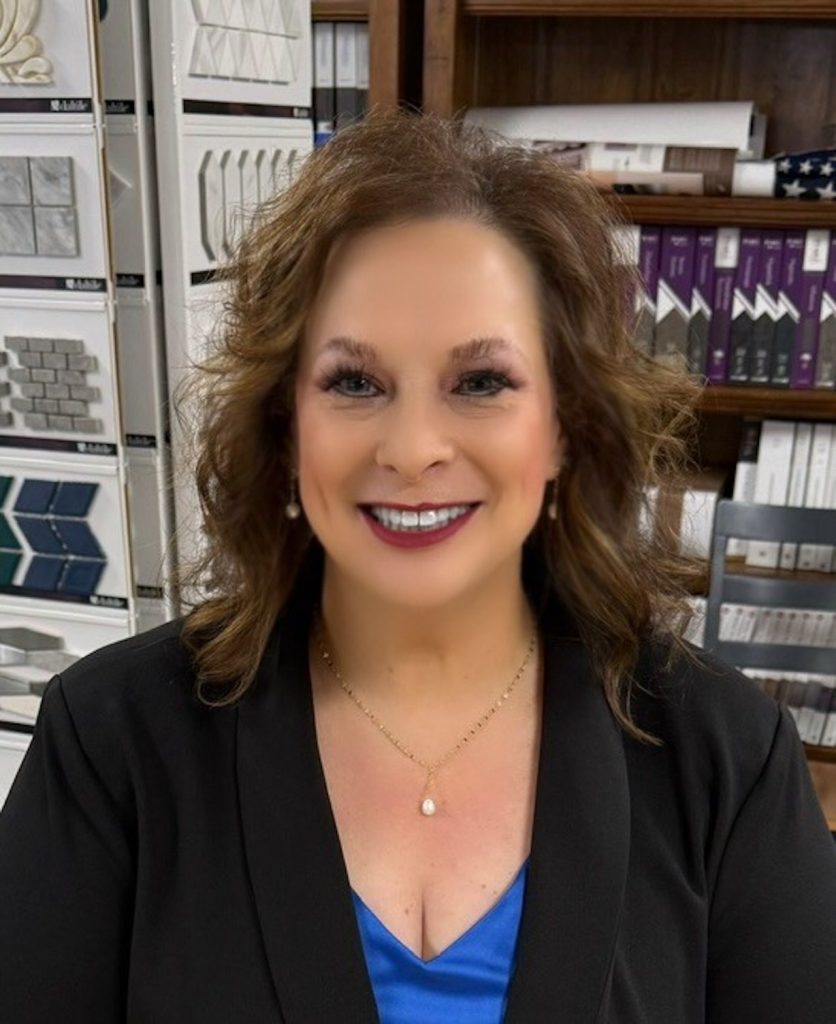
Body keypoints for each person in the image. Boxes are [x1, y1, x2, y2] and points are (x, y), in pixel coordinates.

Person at [1, 110, 835, 1024]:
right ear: (286, 425)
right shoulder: (112, 742)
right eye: (355, 383)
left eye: (481, 383)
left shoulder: (727, 758)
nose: (411, 449)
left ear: (565, 427)